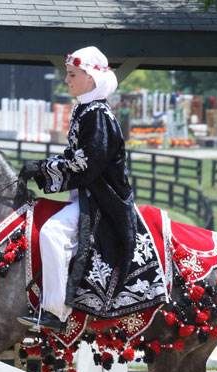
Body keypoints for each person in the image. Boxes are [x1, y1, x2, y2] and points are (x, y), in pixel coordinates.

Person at [17, 46, 167, 332]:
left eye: (72, 74)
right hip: (87, 195)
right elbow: (76, 159)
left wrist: (42, 167)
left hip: (102, 200)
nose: (67, 80)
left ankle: (55, 312)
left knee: (51, 233)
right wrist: (43, 169)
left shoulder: (96, 114)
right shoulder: (86, 109)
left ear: (91, 77)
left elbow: (85, 164)